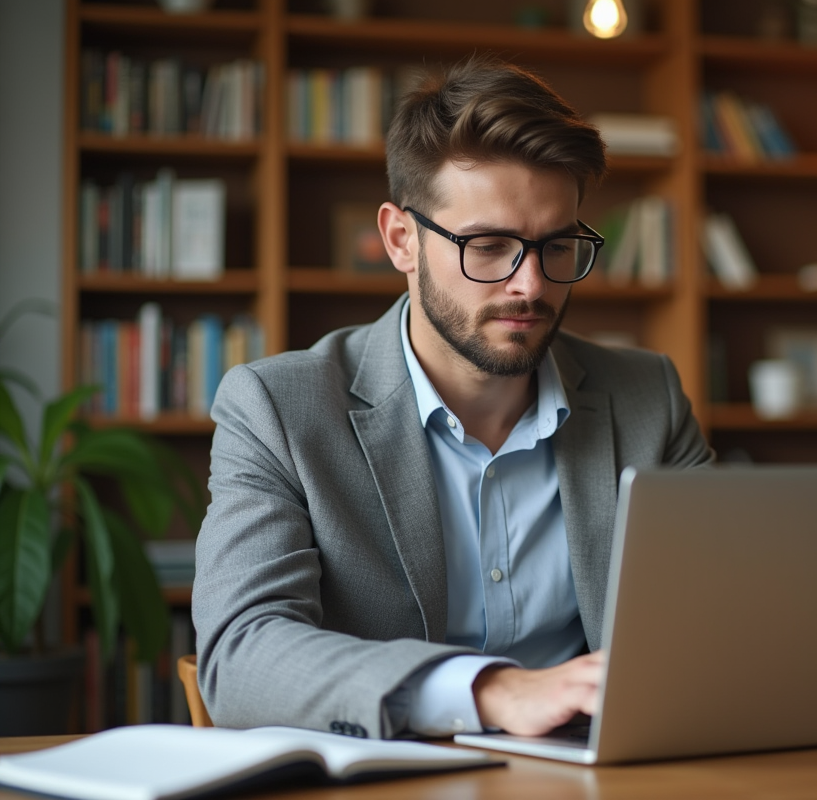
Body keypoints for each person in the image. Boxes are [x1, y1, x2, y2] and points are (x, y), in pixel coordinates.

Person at [192, 57, 713, 740]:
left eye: (557, 246)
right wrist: (492, 691)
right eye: (489, 246)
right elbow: (241, 656)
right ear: (401, 240)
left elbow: (719, 616)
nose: (530, 285)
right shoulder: (276, 408)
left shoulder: (649, 397)